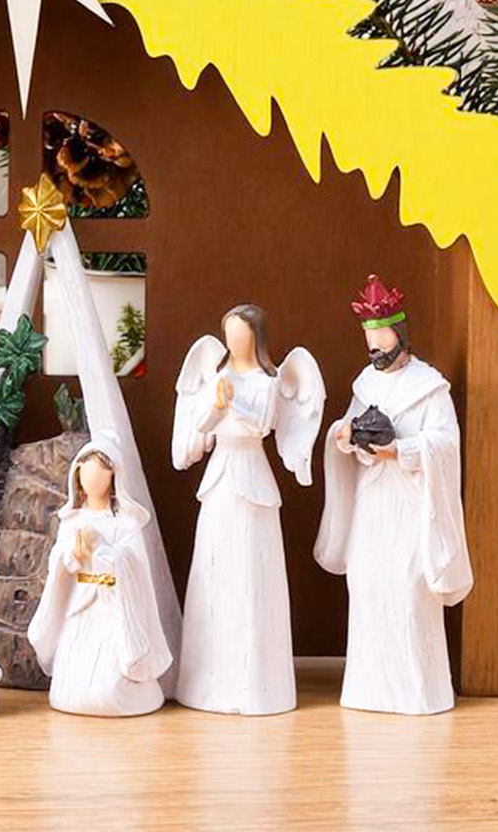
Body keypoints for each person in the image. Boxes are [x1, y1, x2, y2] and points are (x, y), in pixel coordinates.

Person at [314, 274, 473, 715]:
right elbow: (345, 426)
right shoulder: (365, 382)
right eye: (370, 342)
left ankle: (417, 692)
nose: (375, 350)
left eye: (381, 340)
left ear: (400, 336)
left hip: (409, 501)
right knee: (366, 585)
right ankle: (368, 689)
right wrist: (345, 436)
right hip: (372, 501)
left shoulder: (430, 387)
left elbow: (444, 442)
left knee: (407, 588)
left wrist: (398, 450)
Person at [171, 303, 324, 714]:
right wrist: (217, 405)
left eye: (240, 334)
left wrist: (232, 403)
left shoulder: (269, 381)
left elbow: (261, 424)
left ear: (255, 337)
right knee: (215, 566)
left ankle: (255, 684)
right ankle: (206, 681)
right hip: (220, 476)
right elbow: (201, 426)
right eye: (229, 334)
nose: (232, 341)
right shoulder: (217, 376)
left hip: (252, 475)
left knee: (251, 571)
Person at [27, 441, 173, 717]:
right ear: (77, 477)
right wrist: (72, 555)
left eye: (100, 474)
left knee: (108, 690)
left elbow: (134, 564)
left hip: (114, 605)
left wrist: (104, 549)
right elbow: (59, 558)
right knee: (70, 689)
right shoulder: (72, 521)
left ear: (113, 477)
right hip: (80, 604)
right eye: (87, 473)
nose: (92, 481)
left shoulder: (126, 523)